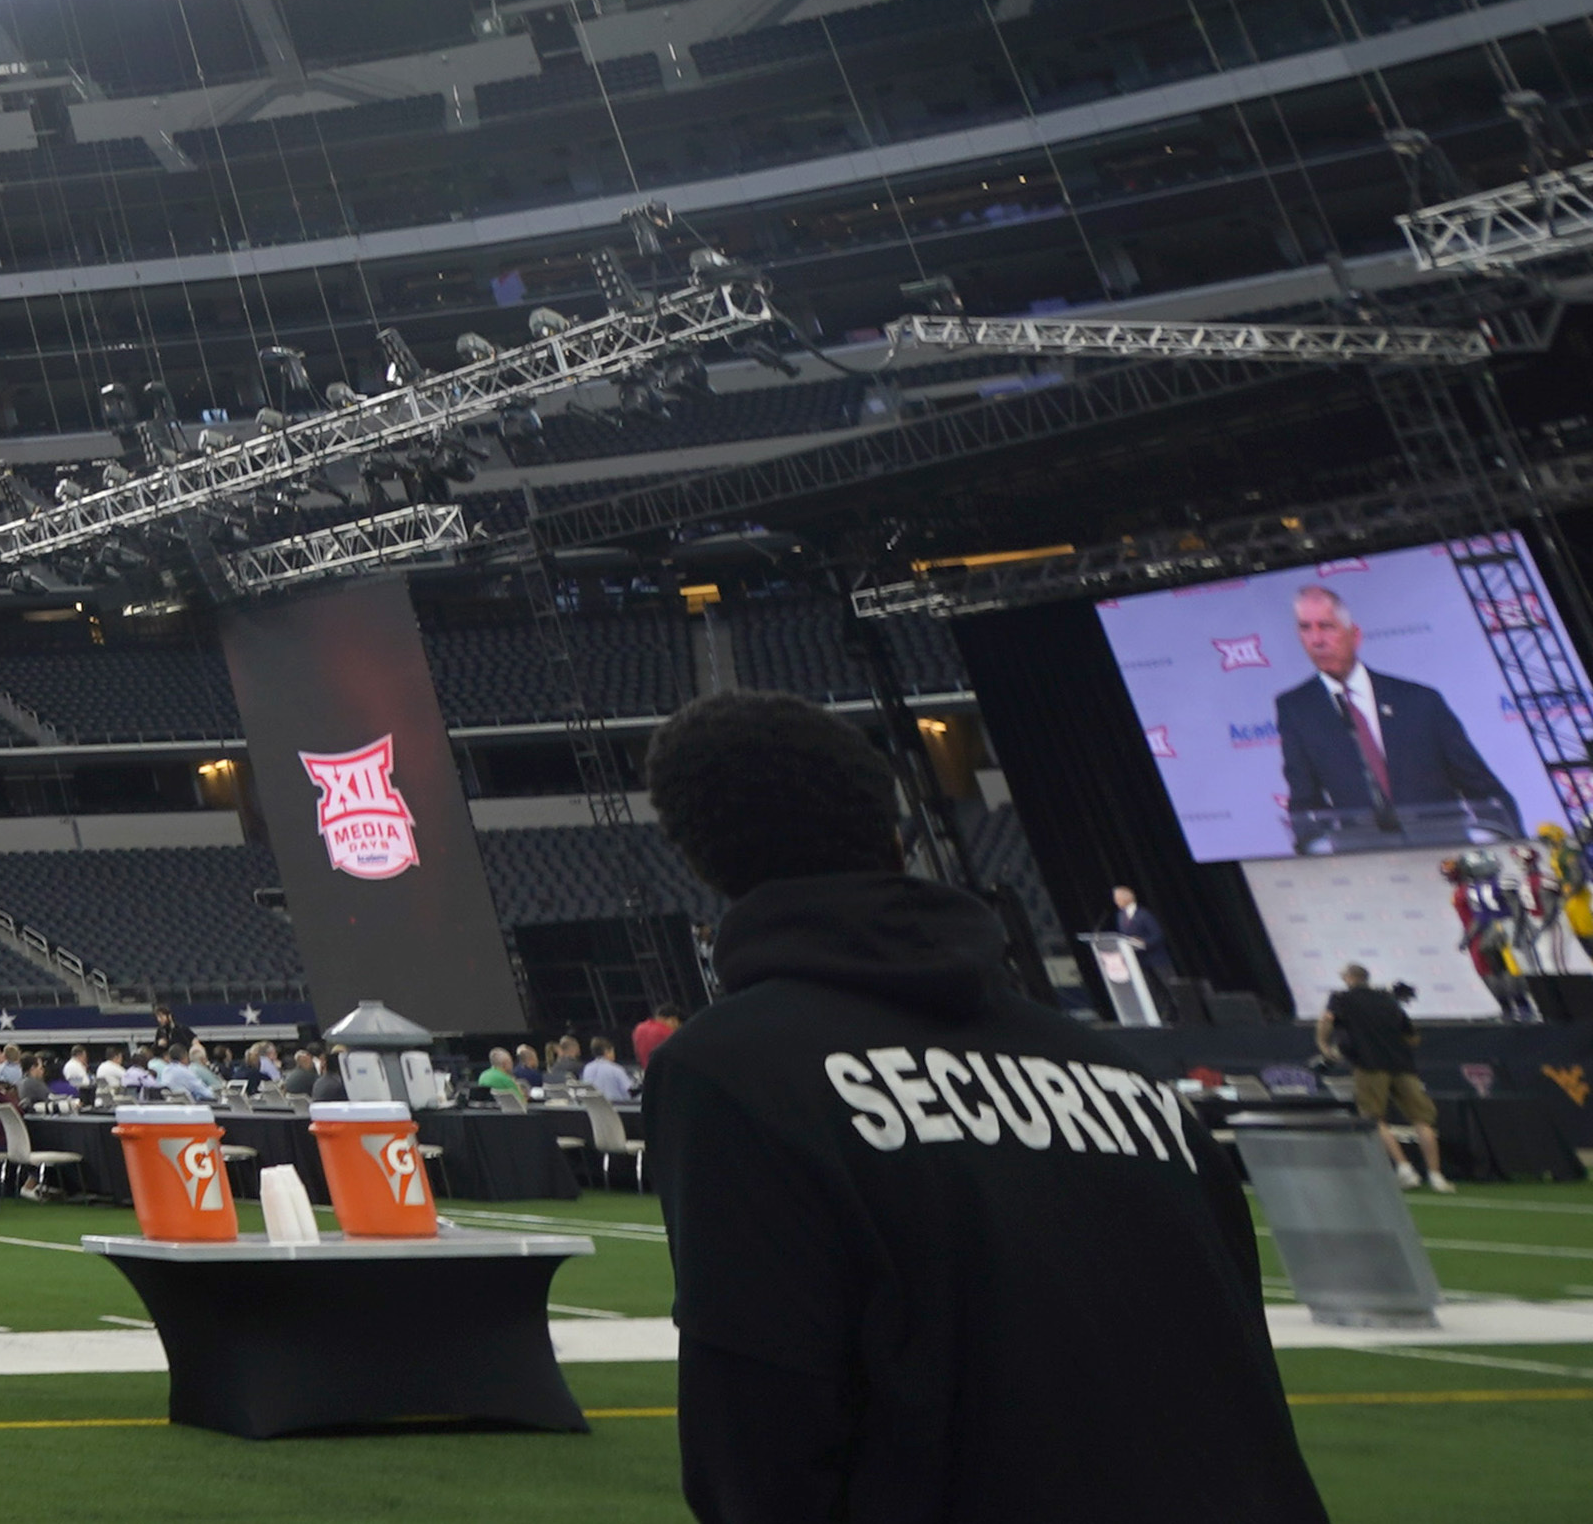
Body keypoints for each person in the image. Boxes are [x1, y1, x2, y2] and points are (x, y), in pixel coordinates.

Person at [636, 688, 1319, 1523]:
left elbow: (759, 1446)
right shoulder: (1127, 1079)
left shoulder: (731, 1072)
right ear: (893, 834)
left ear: (699, 862)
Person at [1272, 583, 1521, 848]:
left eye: (1326, 626)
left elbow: (1480, 785)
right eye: (1305, 628)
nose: (1317, 640)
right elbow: (1304, 800)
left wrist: (1500, 841)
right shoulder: (1297, 709)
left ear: (1354, 635)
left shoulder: (1419, 701)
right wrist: (1314, 848)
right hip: (1364, 860)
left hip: (1445, 850)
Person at [1317, 966, 1447, 1191]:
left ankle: (1405, 1169)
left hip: (1369, 1065)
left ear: (1349, 979)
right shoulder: (1388, 999)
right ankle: (1436, 1176)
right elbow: (1412, 1037)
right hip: (1403, 1066)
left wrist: (1323, 1046)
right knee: (1422, 1120)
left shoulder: (1342, 998)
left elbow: (1327, 1019)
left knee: (1374, 1119)